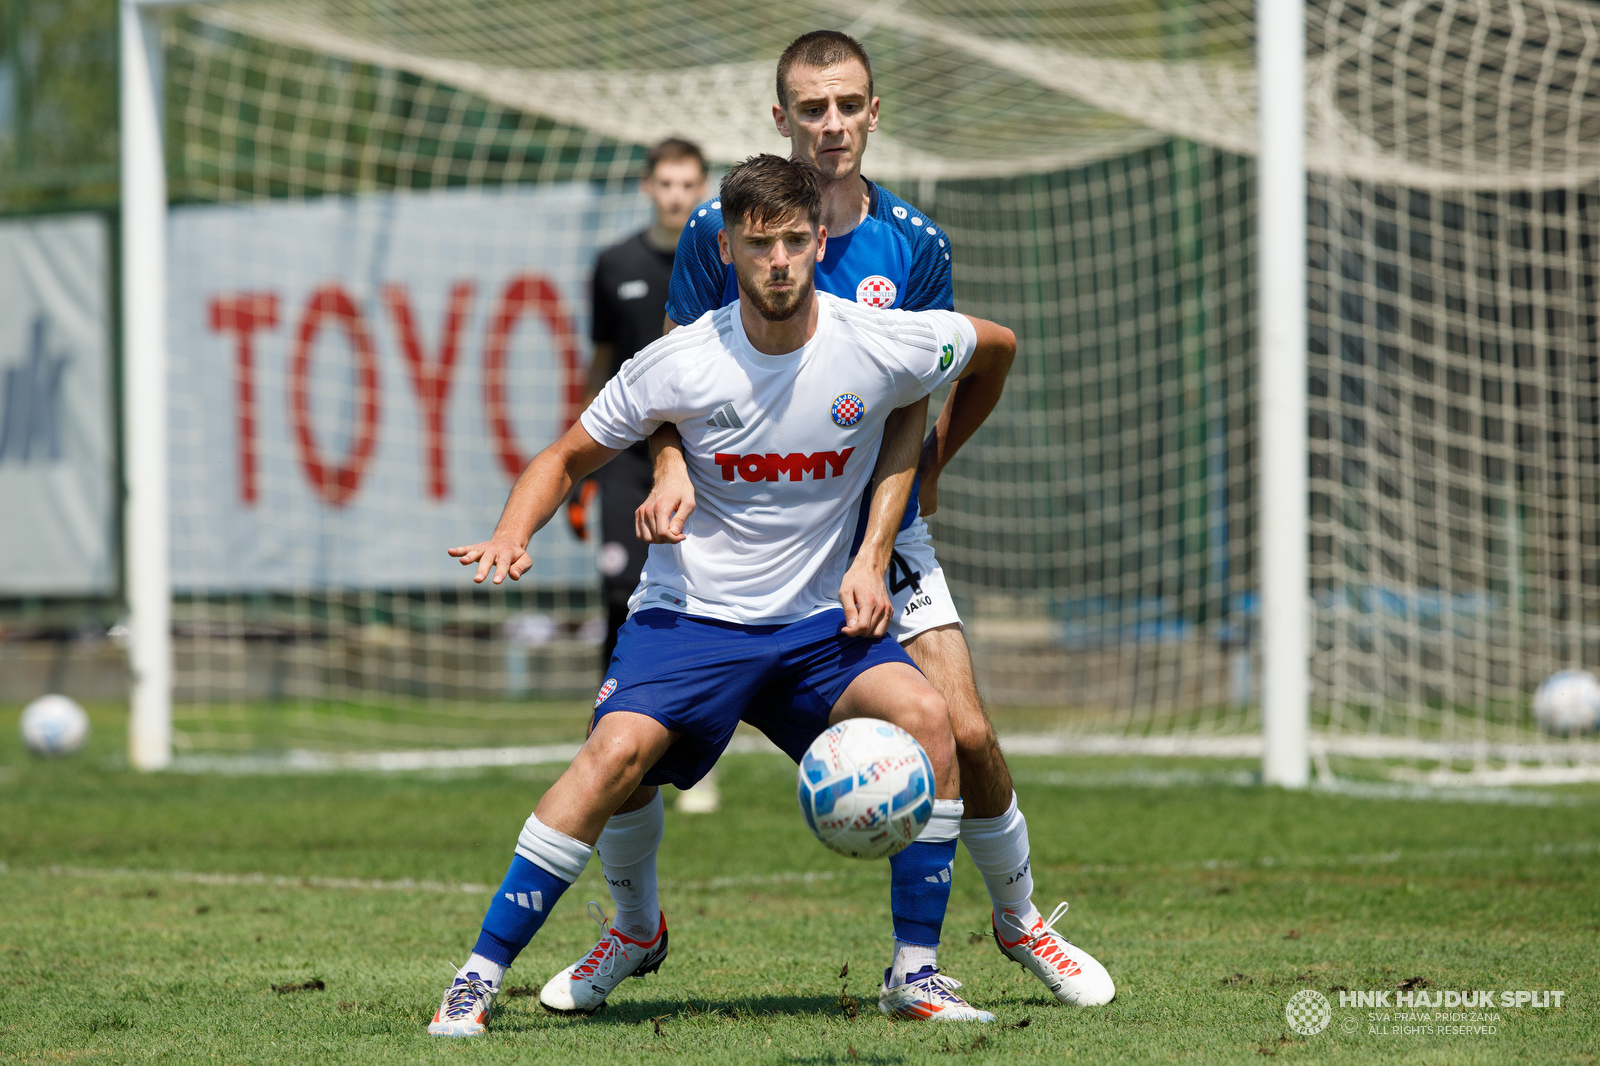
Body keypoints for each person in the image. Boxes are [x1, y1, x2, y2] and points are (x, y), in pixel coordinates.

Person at [577, 30, 1116, 1014]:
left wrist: (904, 508)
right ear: (778, 119)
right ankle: (630, 927)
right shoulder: (714, 228)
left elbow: (921, 394)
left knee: (964, 726)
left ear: (875, 113)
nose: (831, 124)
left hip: (873, 531)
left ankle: (1016, 916)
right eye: (811, 108)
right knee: (627, 741)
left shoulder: (915, 244)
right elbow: (667, 383)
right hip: (735, 535)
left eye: (848, 105)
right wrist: (665, 470)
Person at [429, 154, 1017, 1037]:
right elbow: (563, 458)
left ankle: (917, 975)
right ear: (731, 252)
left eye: (792, 242)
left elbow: (994, 348)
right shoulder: (681, 363)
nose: (777, 261)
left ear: (820, 242)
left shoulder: (882, 340)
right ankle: (482, 978)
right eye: (757, 246)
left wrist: (922, 481)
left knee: (933, 722)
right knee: (612, 759)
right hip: (691, 618)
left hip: (819, 626)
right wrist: (516, 532)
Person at [568, 137, 722, 813]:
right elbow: (597, 364)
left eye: (688, 183)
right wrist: (576, 470)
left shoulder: (723, 259)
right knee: (618, 595)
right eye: (665, 182)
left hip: (701, 459)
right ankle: (608, 741)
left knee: (698, 601)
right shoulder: (614, 264)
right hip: (627, 461)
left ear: (704, 186)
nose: (676, 195)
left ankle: (696, 754)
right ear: (646, 187)